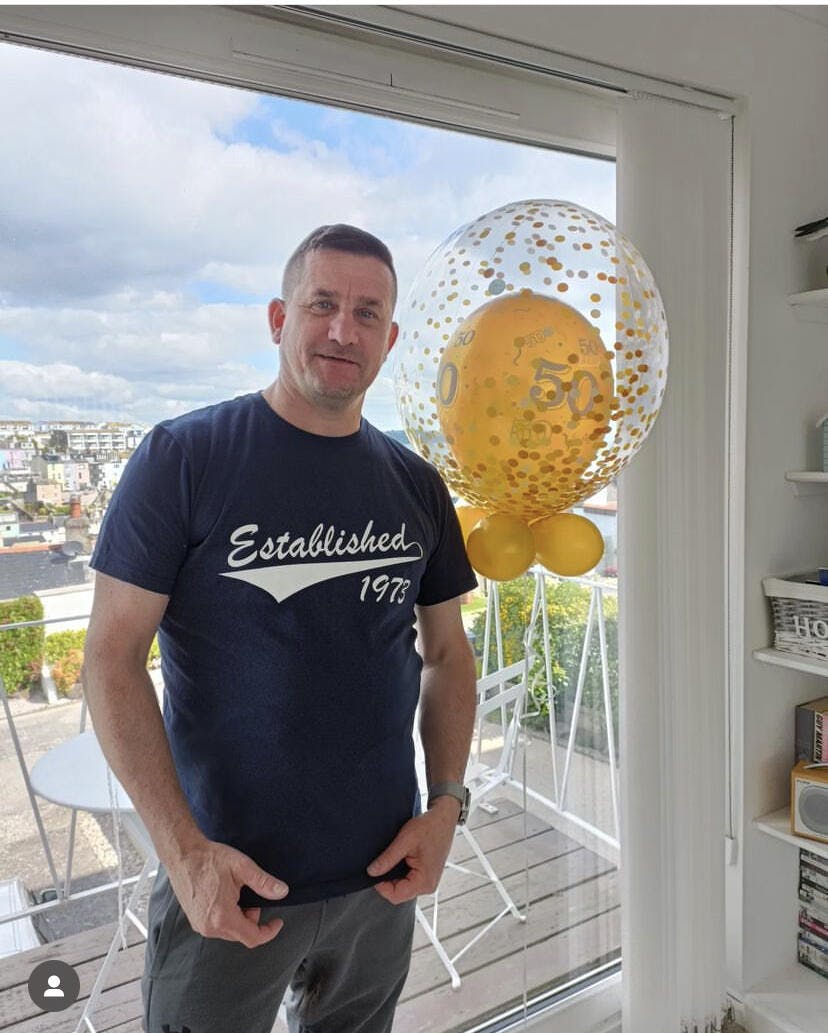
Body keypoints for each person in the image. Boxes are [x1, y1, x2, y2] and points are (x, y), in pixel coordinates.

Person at [83, 223, 478, 1033]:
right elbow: (110, 661)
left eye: (367, 314)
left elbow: (447, 654)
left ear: (390, 338)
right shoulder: (183, 458)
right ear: (277, 318)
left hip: (382, 880)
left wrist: (445, 804)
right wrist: (184, 855)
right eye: (322, 304)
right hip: (227, 884)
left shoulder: (416, 485)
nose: (343, 330)